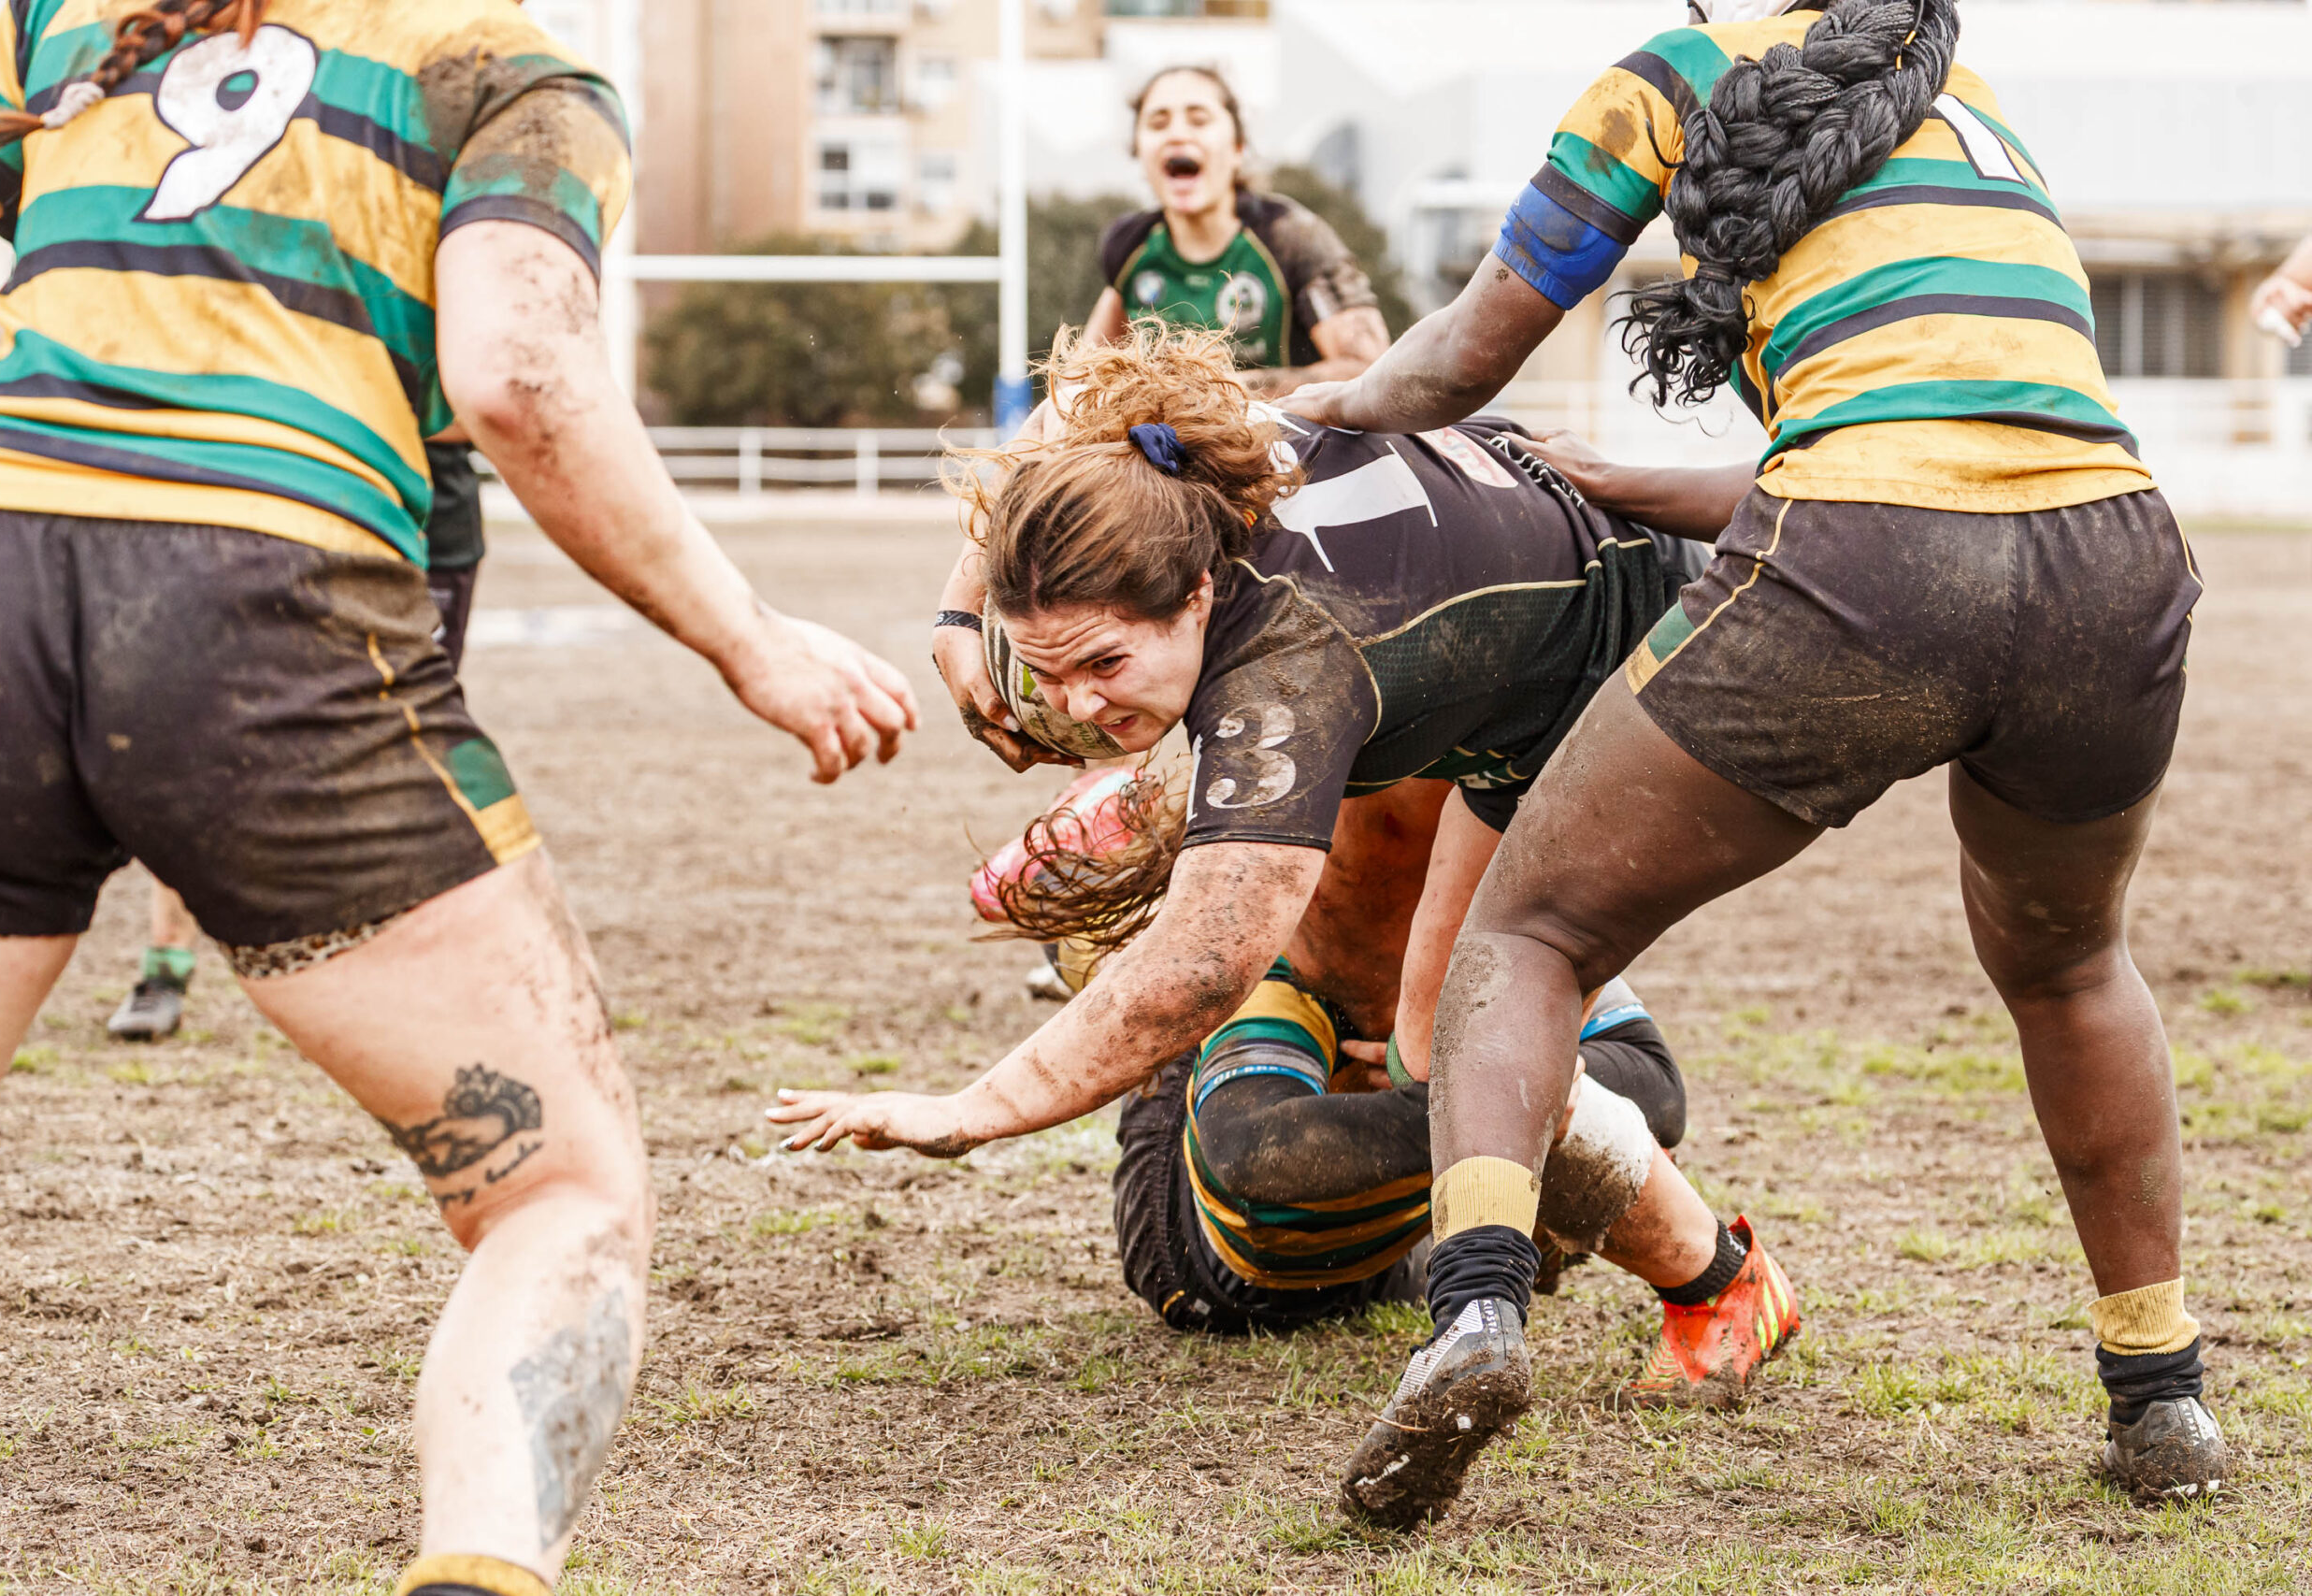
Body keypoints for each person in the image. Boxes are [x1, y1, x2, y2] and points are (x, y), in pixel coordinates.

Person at [0, 5, 914, 1593]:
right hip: (260, 590)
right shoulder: (503, 70)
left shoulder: (62, 16)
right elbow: (517, 377)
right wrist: (750, 637)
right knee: (563, 1192)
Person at [1284, 0, 2220, 1525]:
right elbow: (1930, 431)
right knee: (2072, 966)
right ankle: (2162, 1388)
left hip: (1868, 567)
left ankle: (1475, 1312)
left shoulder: (1680, 74)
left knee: (1527, 932)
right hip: (2114, 561)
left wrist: (1317, 406)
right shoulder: (1959, 93)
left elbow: (1458, 357)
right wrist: (1622, 477)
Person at [773, 323, 1801, 1405]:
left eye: (1104, 662)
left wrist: (968, 1110)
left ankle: (1719, 1285)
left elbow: (1198, 971)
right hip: (1546, 599)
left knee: (1463, 1047)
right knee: (1444, 1049)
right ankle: (1547, 1195)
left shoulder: (1288, 676)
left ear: (1197, 597)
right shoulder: (1166, 480)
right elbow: (1071, 409)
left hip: (1648, 654)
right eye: (1048, 672)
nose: (1077, 704)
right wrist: (960, 603)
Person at [108, 439, 491, 1041]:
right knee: (197, 734)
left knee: (398, 753)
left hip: (420, 539)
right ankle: (166, 967)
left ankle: (389, 969)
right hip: (274, 512)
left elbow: (484, 416)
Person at [1080, 65, 1388, 399]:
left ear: (1237, 148)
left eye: (1199, 120)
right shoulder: (1130, 247)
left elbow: (1371, 371)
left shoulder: (1290, 236)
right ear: (1139, 151)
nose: (1177, 134)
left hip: (1285, 431)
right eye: (1158, 123)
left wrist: (1223, 390)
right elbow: (1078, 382)